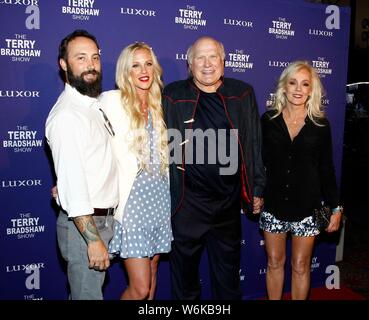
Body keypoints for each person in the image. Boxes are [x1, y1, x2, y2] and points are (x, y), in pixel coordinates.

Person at [162, 36, 266, 300]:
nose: (207, 64)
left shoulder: (242, 93)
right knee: (185, 284)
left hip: (227, 205)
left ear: (223, 61)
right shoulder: (172, 95)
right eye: (200, 57)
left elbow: (253, 142)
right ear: (189, 62)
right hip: (186, 205)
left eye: (213, 57)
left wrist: (257, 186)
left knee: (228, 281)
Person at [259, 60, 343, 300]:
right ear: (284, 87)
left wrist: (336, 207)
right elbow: (258, 162)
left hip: (309, 208)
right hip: (273, 204)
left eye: (304, 84)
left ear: (311, 90)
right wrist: (255, 192)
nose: (298, 89)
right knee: (275, 262)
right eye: (292, 82)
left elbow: (327, 169)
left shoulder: (320, 125)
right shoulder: (268, 120)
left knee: (300, 265)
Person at [45, 29, 119, 300]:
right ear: (64, 64)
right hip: (86, 226)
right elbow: (75, 188)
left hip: (101, 219)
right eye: (81, 58)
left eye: (95, 58)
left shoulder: (92, 105)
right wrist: (92, 239)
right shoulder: (68, 117)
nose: (91, 65)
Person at [99, 42, 172, 300]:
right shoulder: (111, 101)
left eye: (148, 64)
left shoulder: (158, 105)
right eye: (136, 65)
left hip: (160, 199)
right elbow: (87, 142)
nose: (144, 70)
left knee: (152, 273)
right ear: (125, 71)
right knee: (139, 288)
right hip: (132, 204)